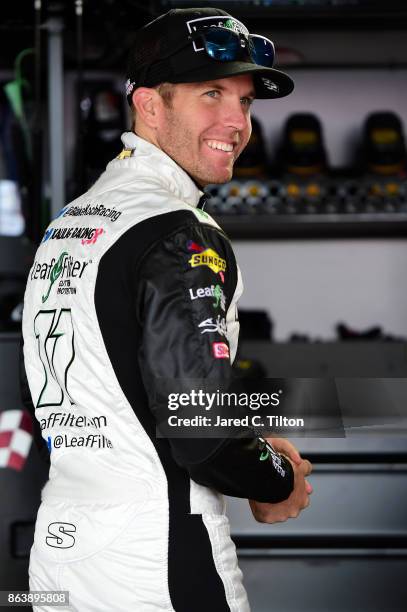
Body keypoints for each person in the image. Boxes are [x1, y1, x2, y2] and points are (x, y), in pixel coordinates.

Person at [21, 7, 312, 611]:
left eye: (246, 102)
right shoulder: (178, 233)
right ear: (150, 106)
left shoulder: (73, 223)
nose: (235, 122)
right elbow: (200, 434)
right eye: (212, 94)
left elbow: (125, 388)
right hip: (156, 553)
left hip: (63, 546)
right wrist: (276, 476)